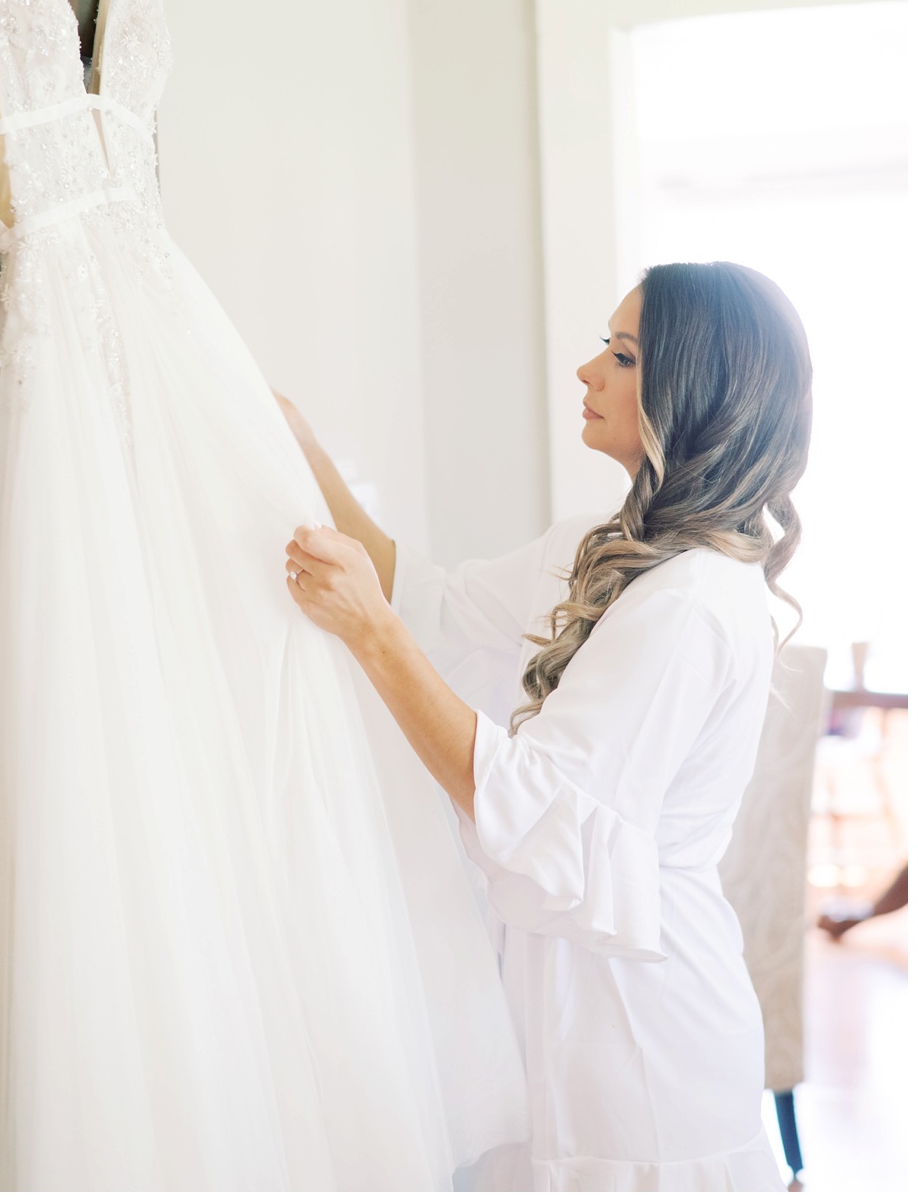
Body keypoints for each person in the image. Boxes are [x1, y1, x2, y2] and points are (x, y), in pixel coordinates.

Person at [279, 261, 810, 1190]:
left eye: (622, 354)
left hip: (640, 1033)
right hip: (559, 1007)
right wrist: (303, 451)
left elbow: (537, 814)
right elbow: (437, 607)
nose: (586, 372)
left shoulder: (689, 599)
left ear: (693, 388)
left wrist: (369, 630)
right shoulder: (607, 544)